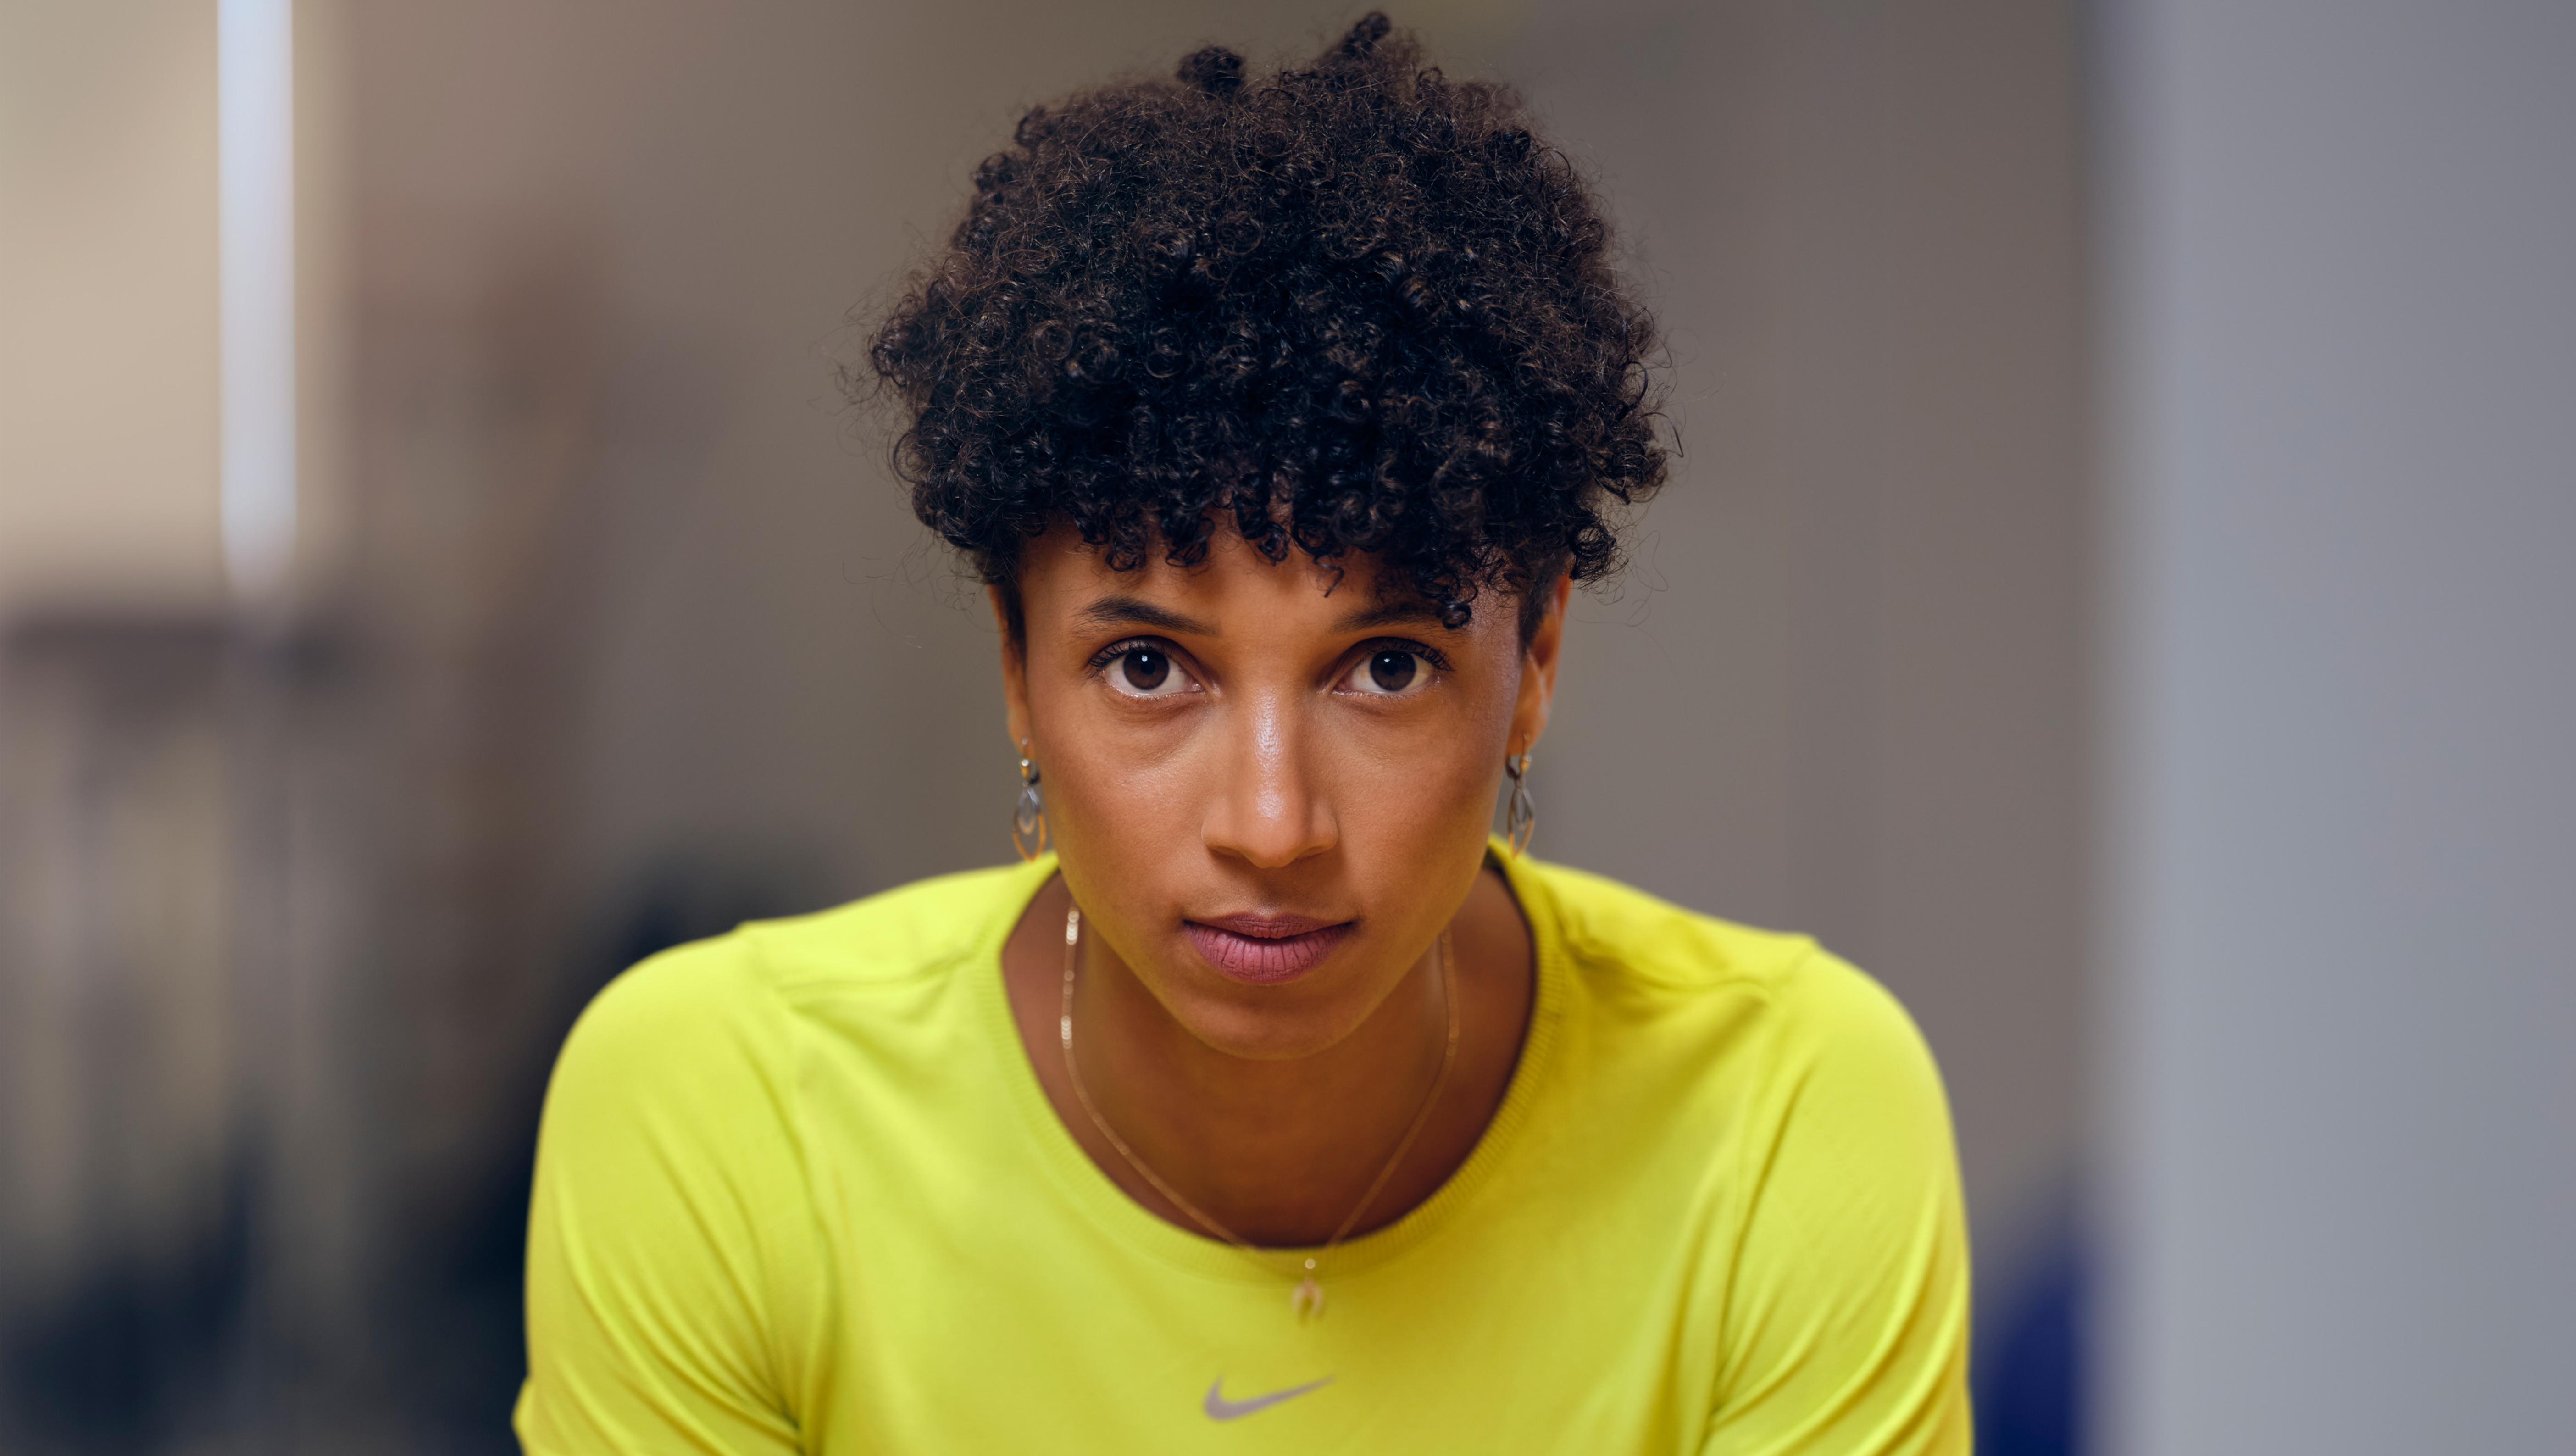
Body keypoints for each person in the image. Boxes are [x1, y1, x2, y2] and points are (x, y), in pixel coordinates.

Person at [513, 16, 1969, 1453]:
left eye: (1385, 668)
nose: (1272, 826)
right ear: (1016, 666)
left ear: (1536, 660)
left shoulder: (1779, 1118)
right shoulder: (726, 1118)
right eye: (1150, 666)